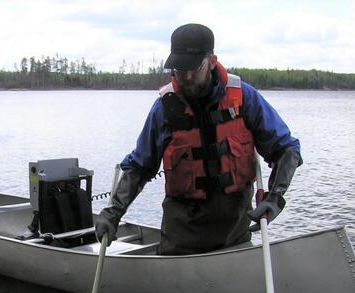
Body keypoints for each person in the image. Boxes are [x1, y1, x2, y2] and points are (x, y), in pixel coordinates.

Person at [95, 24, 301, 255]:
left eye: (194, 68)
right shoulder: (164, 108)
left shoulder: (243, 98)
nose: (187, 76)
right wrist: (113, 212)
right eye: (180, 69)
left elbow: (287, 149)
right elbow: (139, 166)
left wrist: (274, 198)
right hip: (183, 235)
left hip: (235, 233)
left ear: (212, 61)